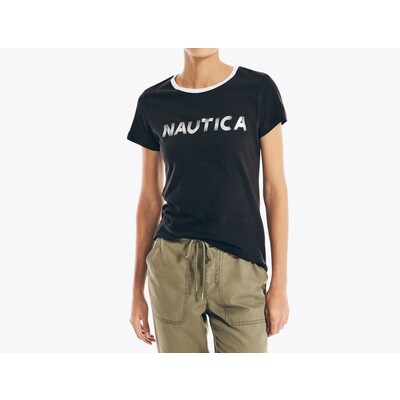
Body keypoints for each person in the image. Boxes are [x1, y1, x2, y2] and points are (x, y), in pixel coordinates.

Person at [127, 48, 289, 353]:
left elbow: (274, 189)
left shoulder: (257, 90)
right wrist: (137, 289)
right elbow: (149, 198)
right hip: (172, 267)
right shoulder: (153, 102)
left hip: (241, 268)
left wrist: (279, 284)